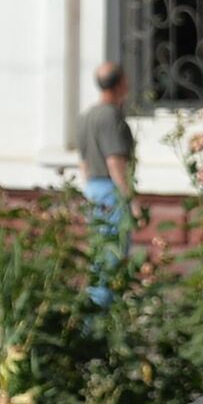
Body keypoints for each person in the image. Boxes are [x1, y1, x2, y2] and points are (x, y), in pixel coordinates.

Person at [77, 61, 137, 301]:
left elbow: (83, 161)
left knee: (98, 254)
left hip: (92, 188)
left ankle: (93, 318)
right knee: (112, 256)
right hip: (111, 191)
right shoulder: (110, 116)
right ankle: (100, 320)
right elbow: (115, 162)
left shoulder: (86, 116)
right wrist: (130, 200)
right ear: (120, 83)